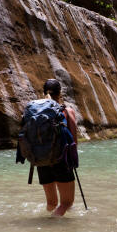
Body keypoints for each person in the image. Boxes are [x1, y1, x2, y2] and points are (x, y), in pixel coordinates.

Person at [35, 79, 77, 217]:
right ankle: (52, 225)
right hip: (61, 160)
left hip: (42, 161)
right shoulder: (67, 111)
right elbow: (73, 141)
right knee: (66, 203)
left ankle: (48, 221)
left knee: (52, 203)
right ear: (60, 93)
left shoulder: (35, 111)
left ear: (43, 93)